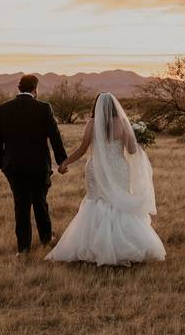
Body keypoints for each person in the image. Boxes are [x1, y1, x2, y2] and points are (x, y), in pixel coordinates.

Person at [45, 92, 165, 266]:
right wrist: (134, 136)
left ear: (97, 106)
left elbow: (82, 149)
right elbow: (132, 151)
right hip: (119, 168)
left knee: (96, 201)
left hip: (97, 168)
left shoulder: (92, 124)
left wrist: (65, 163)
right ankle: (125, 246)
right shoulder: (123, 123)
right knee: (118, 202)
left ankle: (93, 247)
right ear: (115, 106)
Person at [0, 74, 68, 256]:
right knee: (40, 202)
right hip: (38, 166)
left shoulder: (2, 109)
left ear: (19, 88)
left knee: (21, 205)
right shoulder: (43, 108)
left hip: (14, 167)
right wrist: (61, 161)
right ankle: (46, 239)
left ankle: (23, 248)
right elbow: (54, 136)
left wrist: (1, 164)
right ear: (35, 89)